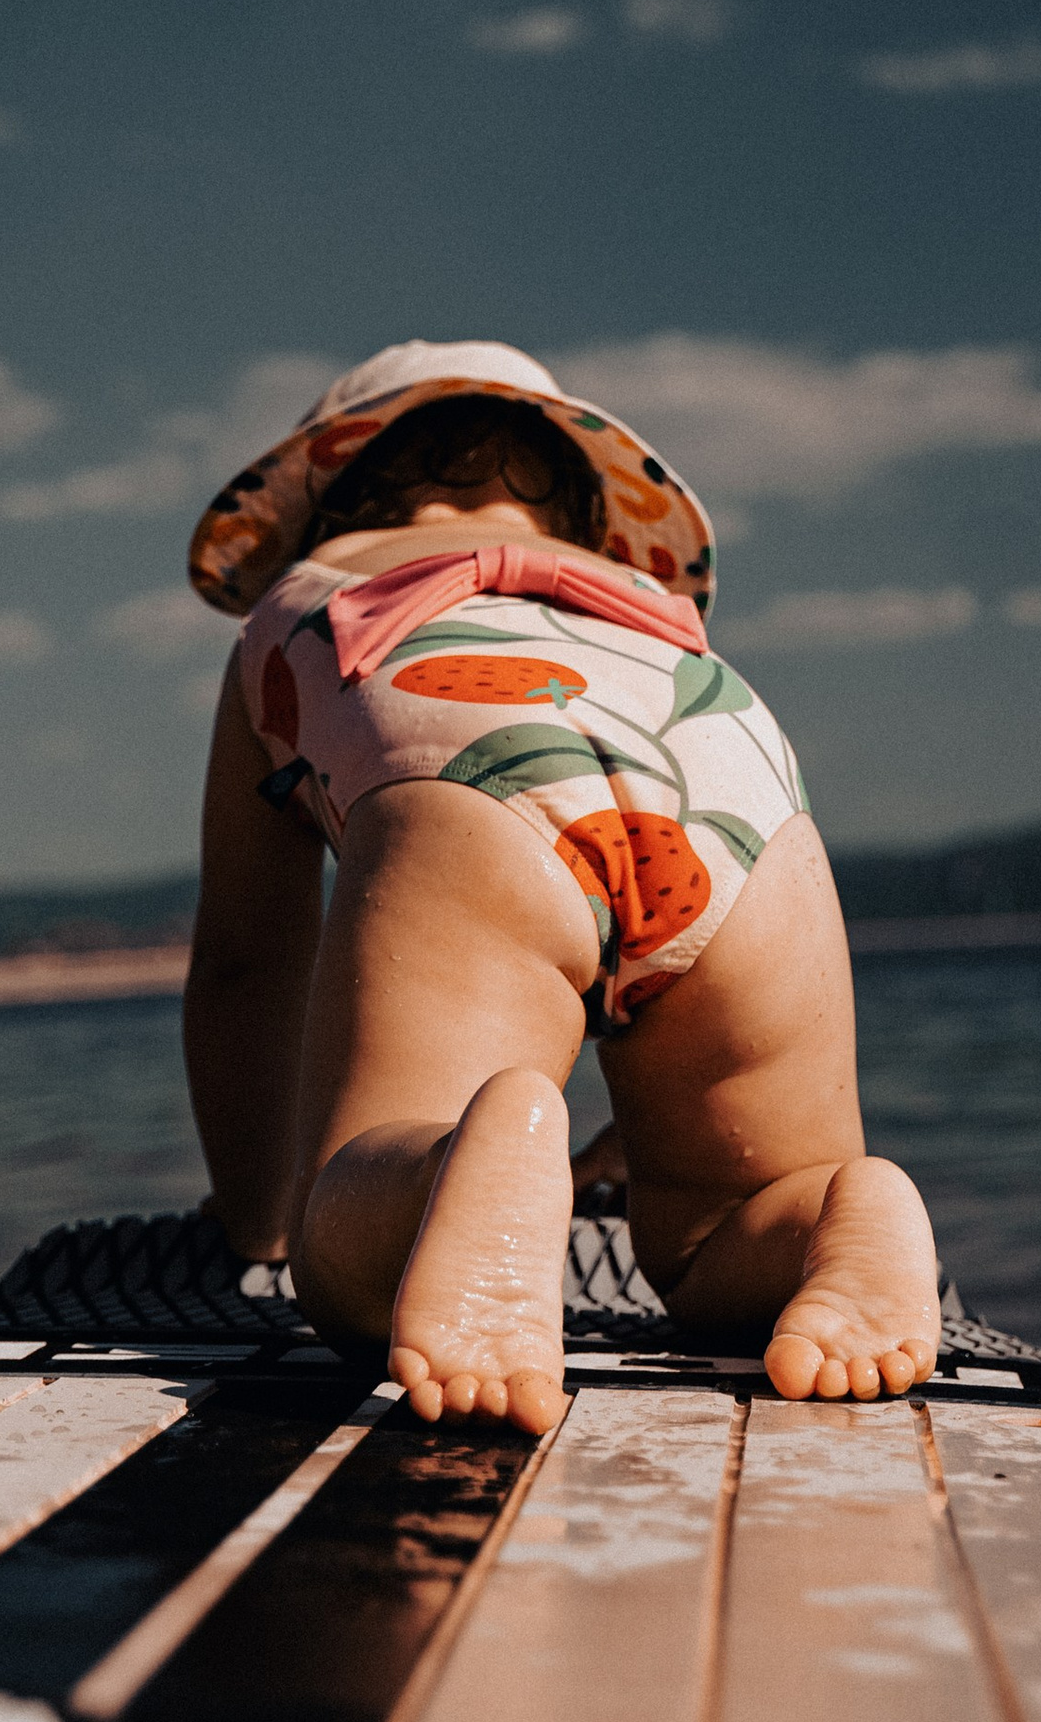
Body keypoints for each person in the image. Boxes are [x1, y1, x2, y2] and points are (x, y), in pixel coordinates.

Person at [179, 340, 943, 1435]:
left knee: (348, 1236)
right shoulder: (633, 596)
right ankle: (836, 1208)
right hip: (741, 798)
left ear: (324, 502)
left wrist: (258, 1217)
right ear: (586, 517)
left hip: (479, 791)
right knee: (715, 1227)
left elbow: (247, 961)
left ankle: (451, 1169)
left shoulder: (299, 598)